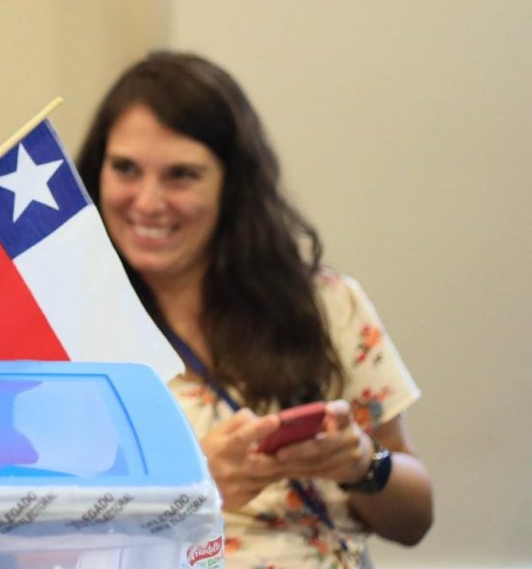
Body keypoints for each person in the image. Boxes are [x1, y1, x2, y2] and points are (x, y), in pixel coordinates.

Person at [76, 51, 432, 566]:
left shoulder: (326, 303)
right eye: (125, 169)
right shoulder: (65, 327)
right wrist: (198, 487)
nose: (148, 202)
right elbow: (41, 538)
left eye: (181, 175)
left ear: (231, 185)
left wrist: (362, 462)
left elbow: (416, 521)